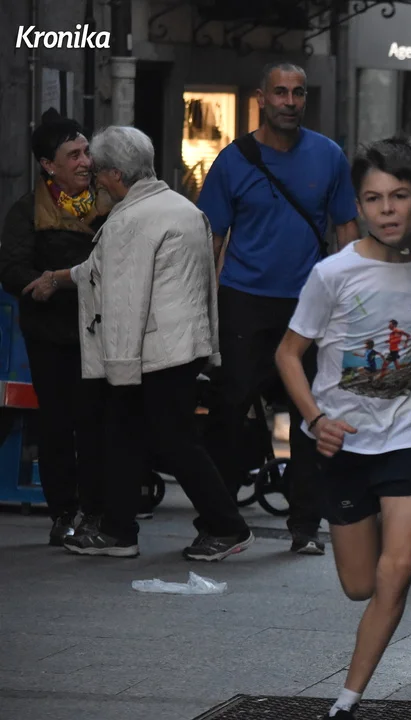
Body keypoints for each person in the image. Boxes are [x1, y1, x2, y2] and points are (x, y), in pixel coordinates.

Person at [274, 137, 411, 719]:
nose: (387, 209)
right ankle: (372, 537)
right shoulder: (332, 274)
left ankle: (347, 701)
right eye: (374, 199)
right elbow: (287, 354)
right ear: (359, 206)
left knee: (397, 571)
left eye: (398, 196)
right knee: (360, 584)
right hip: (345, 443)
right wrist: (315, 419)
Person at [25, 126, 252, 560]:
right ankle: (119, 530)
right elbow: (103, 267)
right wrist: (57, 278)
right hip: (181, 345)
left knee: (170, 441)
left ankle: (227, 527)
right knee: (130, 434)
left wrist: (120, 369)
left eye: (98, 171)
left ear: (114, 174)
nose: (94, 178)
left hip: (153, 352)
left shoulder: (130, 221)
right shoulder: (181, 208)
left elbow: (125, 301)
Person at [197, 61, 360, 555]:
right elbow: (211, 240)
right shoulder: (233, 161)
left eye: (298, 93)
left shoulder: (328, 156)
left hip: (308, 304)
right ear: (262, 98)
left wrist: (351, 302)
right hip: (243, 301)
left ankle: (305, 525)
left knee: (311, 413)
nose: (290, 102)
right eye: (281, 92)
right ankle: (220, 524)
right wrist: (204, 308)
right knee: (228, 411)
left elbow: (347, 231)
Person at [0, 111, 109, 546]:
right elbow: (12, 269)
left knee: (99, 424)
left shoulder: (109, 203)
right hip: (51, 338)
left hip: (103, 333)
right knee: (58, 425)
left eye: (86, 152)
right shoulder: (28, 210)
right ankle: (63, 512)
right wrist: (47, 284)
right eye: (74, 155)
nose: (86, 162)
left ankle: (99, 512)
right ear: (49, 165)